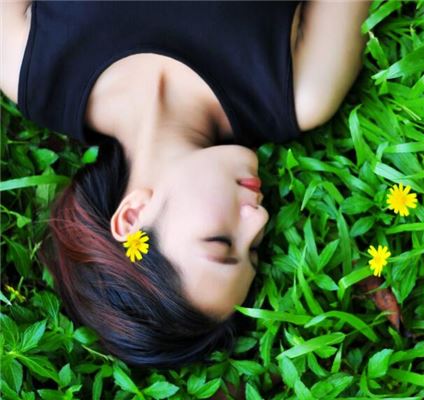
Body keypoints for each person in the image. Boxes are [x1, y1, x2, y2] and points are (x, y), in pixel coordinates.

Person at [0, 0, 371, 368]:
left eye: (220, 241)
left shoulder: (30, 68)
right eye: (254, 248)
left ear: (132, 217)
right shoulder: (302, 92)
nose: (259, 219)